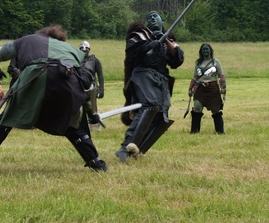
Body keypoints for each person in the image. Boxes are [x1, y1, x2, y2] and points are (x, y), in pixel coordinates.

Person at [0, 25, 107, 173]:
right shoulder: (71, 49)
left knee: (5, 120)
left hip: (35, 77)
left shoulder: (26, 40)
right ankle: (96, 163)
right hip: (68, 83)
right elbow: (85, 83)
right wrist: (91, 113)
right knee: (73, 126)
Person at [116, 11, 184, 162]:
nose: (153, 18)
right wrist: (147, 46)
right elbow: (132, 51)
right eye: (149, 17)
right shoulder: (140, 34)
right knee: (150, 106)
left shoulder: (169, 39)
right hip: (143, 74)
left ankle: (139, 150)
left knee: (161, 118)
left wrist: (164, 40)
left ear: (162, 20)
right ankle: (125, 148)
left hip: (161, 78)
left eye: (156, 16)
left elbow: (177, 60)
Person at [188, 43, 226, 134]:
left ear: (210, 50)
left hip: (212, 88)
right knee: (197, 107)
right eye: (203, 49)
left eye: (207, 49)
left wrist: (223, 88)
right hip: (200, 89)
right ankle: (194, 131)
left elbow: (221, 75)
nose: (205, 51)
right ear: (201, 51)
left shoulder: (216, 62)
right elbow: (194, 77)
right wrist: (190, 88)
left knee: (215, 109)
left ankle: (220, 131)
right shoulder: (198, 63)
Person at [79, 40, 105, 131]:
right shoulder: (76, 60)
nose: (84, 51)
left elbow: (100, 75)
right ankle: (80, 126)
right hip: (79, 87)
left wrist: (101, 89)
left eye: (85, 50)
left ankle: (94, 125)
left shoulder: (95, 60)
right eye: (82, 50)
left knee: (91, 107)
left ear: (89, 50)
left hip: (91, 87)